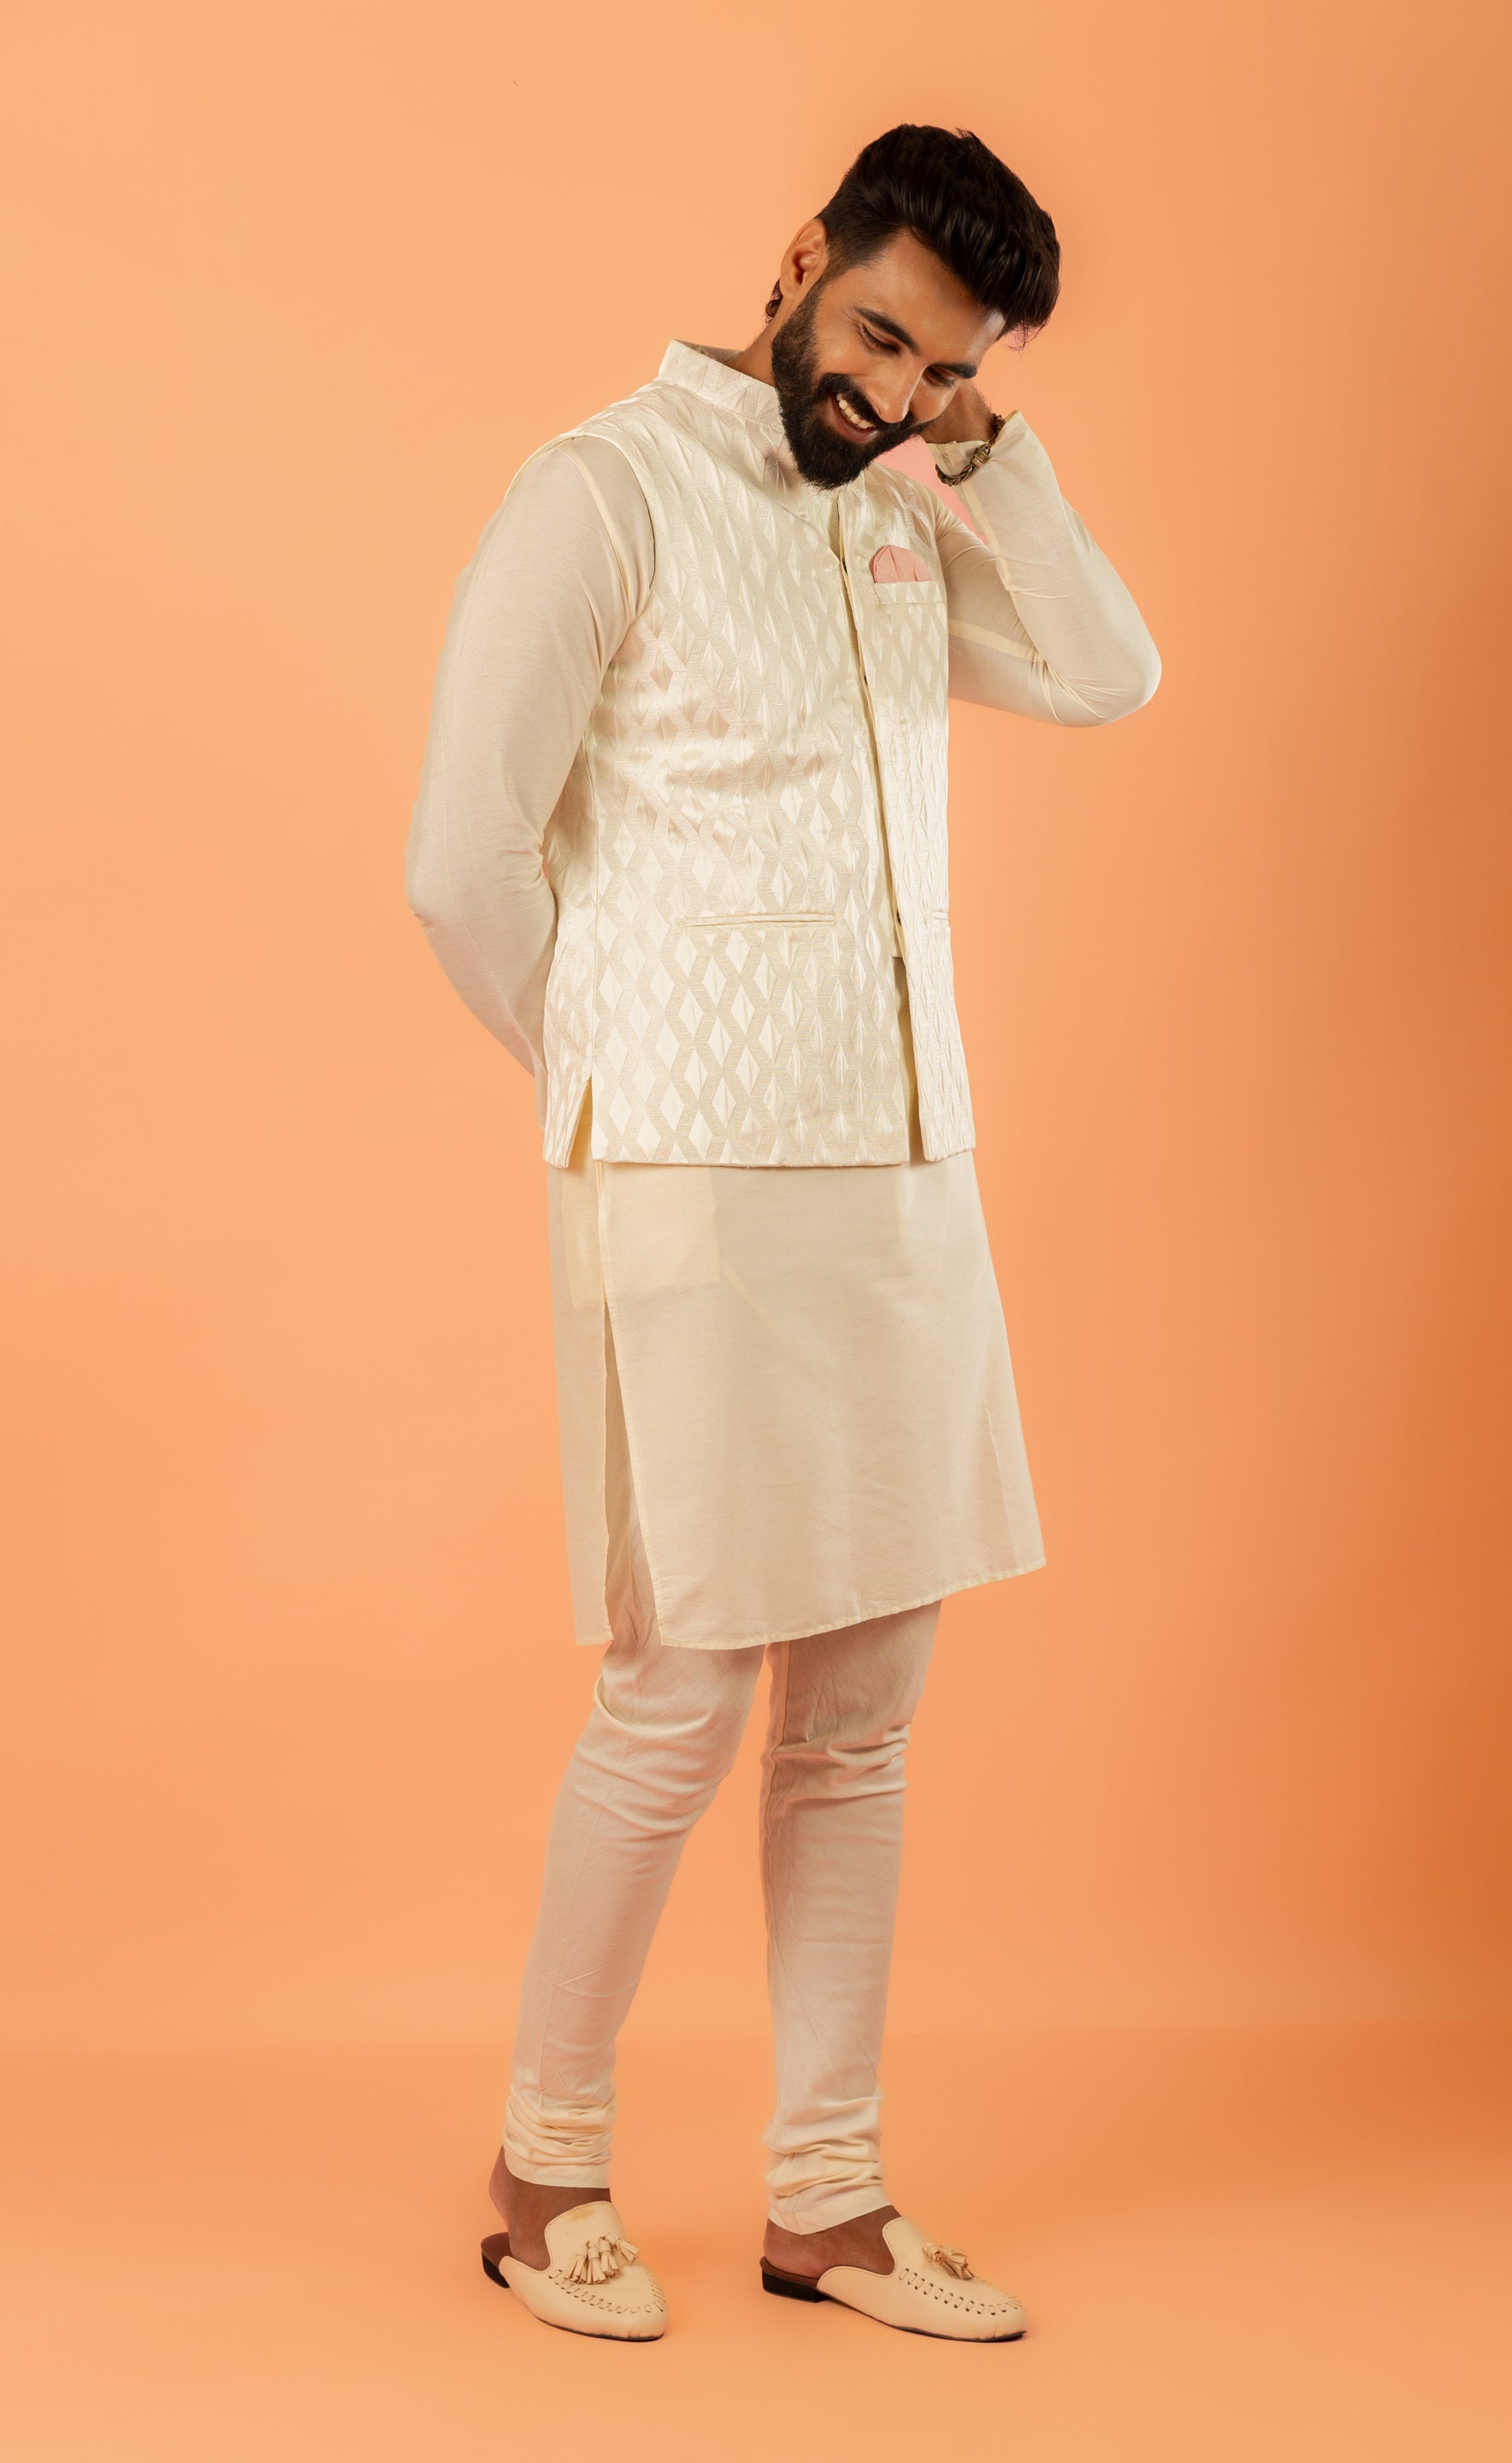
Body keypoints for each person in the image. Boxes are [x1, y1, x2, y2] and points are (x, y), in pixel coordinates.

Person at [407, 121, 1161, 2344]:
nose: (891, 392)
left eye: (943, 371)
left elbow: (1109, 673)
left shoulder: (908, 513)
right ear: (802, 256)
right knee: (682, 1690)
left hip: (909, 1173)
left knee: (869, 1709)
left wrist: (983, 457)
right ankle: (545, 2167)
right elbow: (462, 862)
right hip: (698, 1177)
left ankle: (827, 2197)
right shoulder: (604, 493)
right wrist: (614, 1084)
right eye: (881, 337)